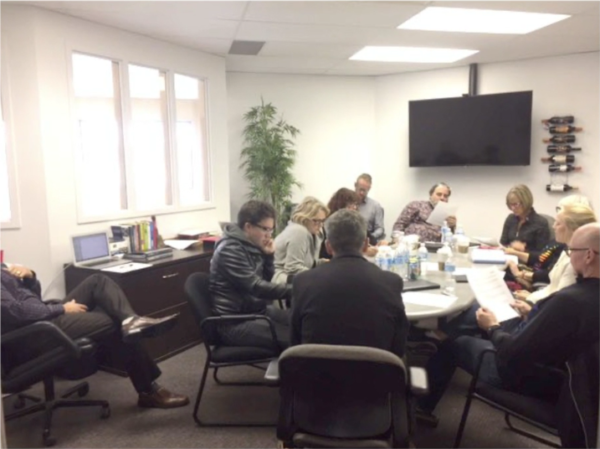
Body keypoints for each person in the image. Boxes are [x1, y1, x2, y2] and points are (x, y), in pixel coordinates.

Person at [419, 223, 599, 448]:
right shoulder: (586, 299)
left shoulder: (570, 301)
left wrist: (492, 328)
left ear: (589, 255)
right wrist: (530, 315)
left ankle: (421, 407)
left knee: (453, 343)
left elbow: (512, 353)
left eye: (571, 251)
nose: (569, 256)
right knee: (476, 319)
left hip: (528, 376)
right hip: (568, 385)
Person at [1, 266, 189, 408]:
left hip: (43, 319)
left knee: (98, 281)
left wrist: (30, 278)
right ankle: (149, 391)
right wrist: (62, 308)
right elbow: (17, 312)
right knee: (115, 322)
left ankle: (132, 320)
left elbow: (31, 299)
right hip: (33, 334)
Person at [436, 203, 597, 341]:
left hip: (533, 315)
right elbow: (551, 289)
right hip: (534, 304)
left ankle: (442, 338)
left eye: (558, 223)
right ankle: (444, 336)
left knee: (478, 309)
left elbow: (556, 304)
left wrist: (530, 302)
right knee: (477, 305)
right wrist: (530, 297)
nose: (553, 226)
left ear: (573, 229)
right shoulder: (566, 252)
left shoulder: (575, 263)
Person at [291, 209, 408, 359]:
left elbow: (295, 343)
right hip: (376, 372)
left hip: (316, 372)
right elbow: (398, 348)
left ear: (328, 246)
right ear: (365, 244)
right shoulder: (391, 282)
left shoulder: (302, 281)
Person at [209, 200, 292, 351]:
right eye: (265, 229)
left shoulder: (250, 245)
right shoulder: (230, 249)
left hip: (256, 312)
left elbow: (265, 281)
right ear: (248, 227)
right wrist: (296, 289)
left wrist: (268, 256)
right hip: (234, 323)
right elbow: (257, 287)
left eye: (271, 230)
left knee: (304, 323)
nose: (269, 235)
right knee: (295, 338)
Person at [506, 194, 594, 289]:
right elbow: (542, 258)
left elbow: (551, 276)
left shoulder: (570, 251)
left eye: (562, 209)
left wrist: (521, 274)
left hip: (539, 281)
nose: (553, 225)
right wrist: (516, 254)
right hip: (535, 275)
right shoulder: (562, 244)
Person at [273, 197, 329, 285]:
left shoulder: (313, 233)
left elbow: (307, 262)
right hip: (280, 281)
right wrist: (319, 275)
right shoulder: (299, 231)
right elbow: (293, 268)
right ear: (304, 218)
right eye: (316, 221)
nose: (320, 225)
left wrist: (323, 262)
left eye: (322, 221)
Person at [319, 188, 378, 259]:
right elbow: (330, 252)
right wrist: (363, 251)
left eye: (355, 204)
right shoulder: (330, 224)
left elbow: (371, 239)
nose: (354, 208)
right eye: (350, 205)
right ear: (340, 206)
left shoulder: (354, 221)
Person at [500, 184, 550, 253]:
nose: (512, 208)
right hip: (509, 257)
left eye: (516, 204)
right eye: (510, 204)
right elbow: (503, 244)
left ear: (526, 201)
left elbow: (542, 254)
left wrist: (524, 250)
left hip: (527, 259)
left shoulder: (540, 223)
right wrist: (511, 247)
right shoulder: (510, 219)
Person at [355, 174, 385, 244]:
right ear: (355, 185)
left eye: (365, 191)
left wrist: (370, 237)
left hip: (368, 241)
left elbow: (380, 228)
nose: (362, 193)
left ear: (369, 189)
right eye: (360, 189)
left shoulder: (375, 206)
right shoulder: (347, 203)